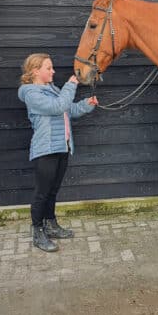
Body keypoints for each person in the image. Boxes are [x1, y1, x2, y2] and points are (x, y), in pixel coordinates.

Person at [18, 53, 98, 252]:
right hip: (45, 149)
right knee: (42, 193)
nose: (53, 71)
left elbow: (68, 110)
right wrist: (71, 85)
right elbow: (58, 106)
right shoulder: (31, 93)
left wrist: (86, 105)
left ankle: (51, 224)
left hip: (62, 146)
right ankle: (37, 231)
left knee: (52, 191)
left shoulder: (51, 89)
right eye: (48, 68)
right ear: (35, 71)